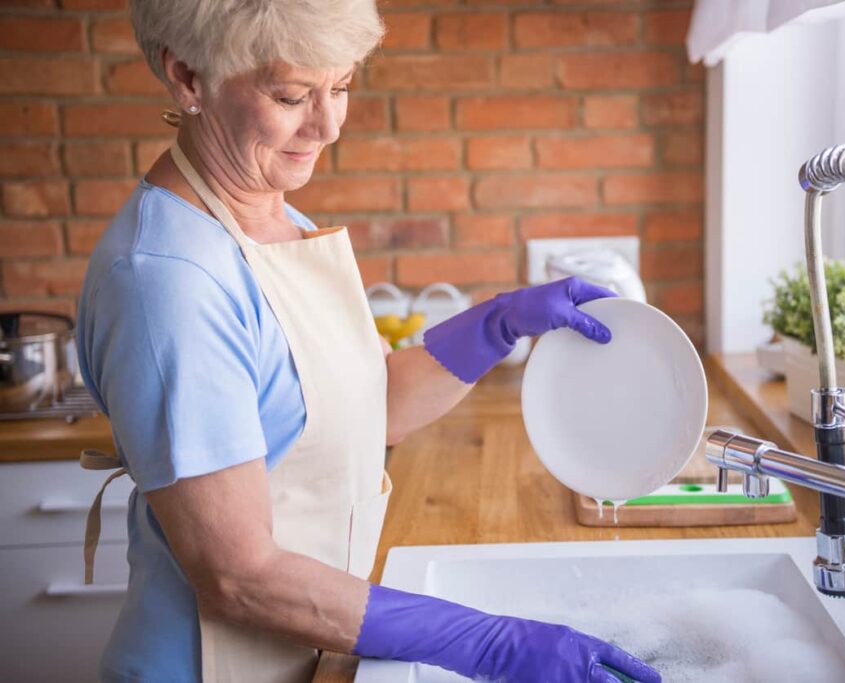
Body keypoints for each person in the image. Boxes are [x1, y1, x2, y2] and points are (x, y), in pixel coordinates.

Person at [76, 1, 662, 682]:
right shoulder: (169, 282)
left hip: (307, 648)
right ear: (188, 77)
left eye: (342, 86)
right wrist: (486, 641)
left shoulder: (273, 213)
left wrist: (498, 324)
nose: (326, 125)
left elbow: (358, 412)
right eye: (291, 94)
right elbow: (238, 575)